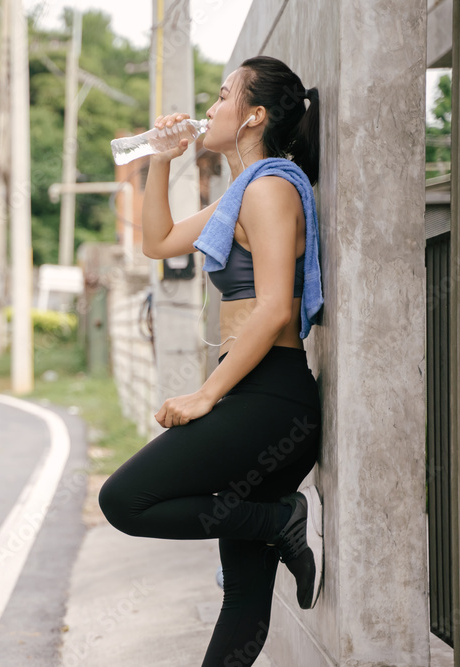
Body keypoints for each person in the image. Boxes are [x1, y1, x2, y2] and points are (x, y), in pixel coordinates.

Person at [97, 55, 324, 666]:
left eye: (224, 96)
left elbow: (275, 308)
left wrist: (205, 394)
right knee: (244, 597)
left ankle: (279, 520)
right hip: (255, 398)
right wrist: (160, 160)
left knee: (125, 500)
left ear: (254, 115)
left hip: (271, 399)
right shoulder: (242, 195)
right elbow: (158, 243)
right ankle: (273, 522)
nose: (212, 107)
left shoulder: (272, 188)